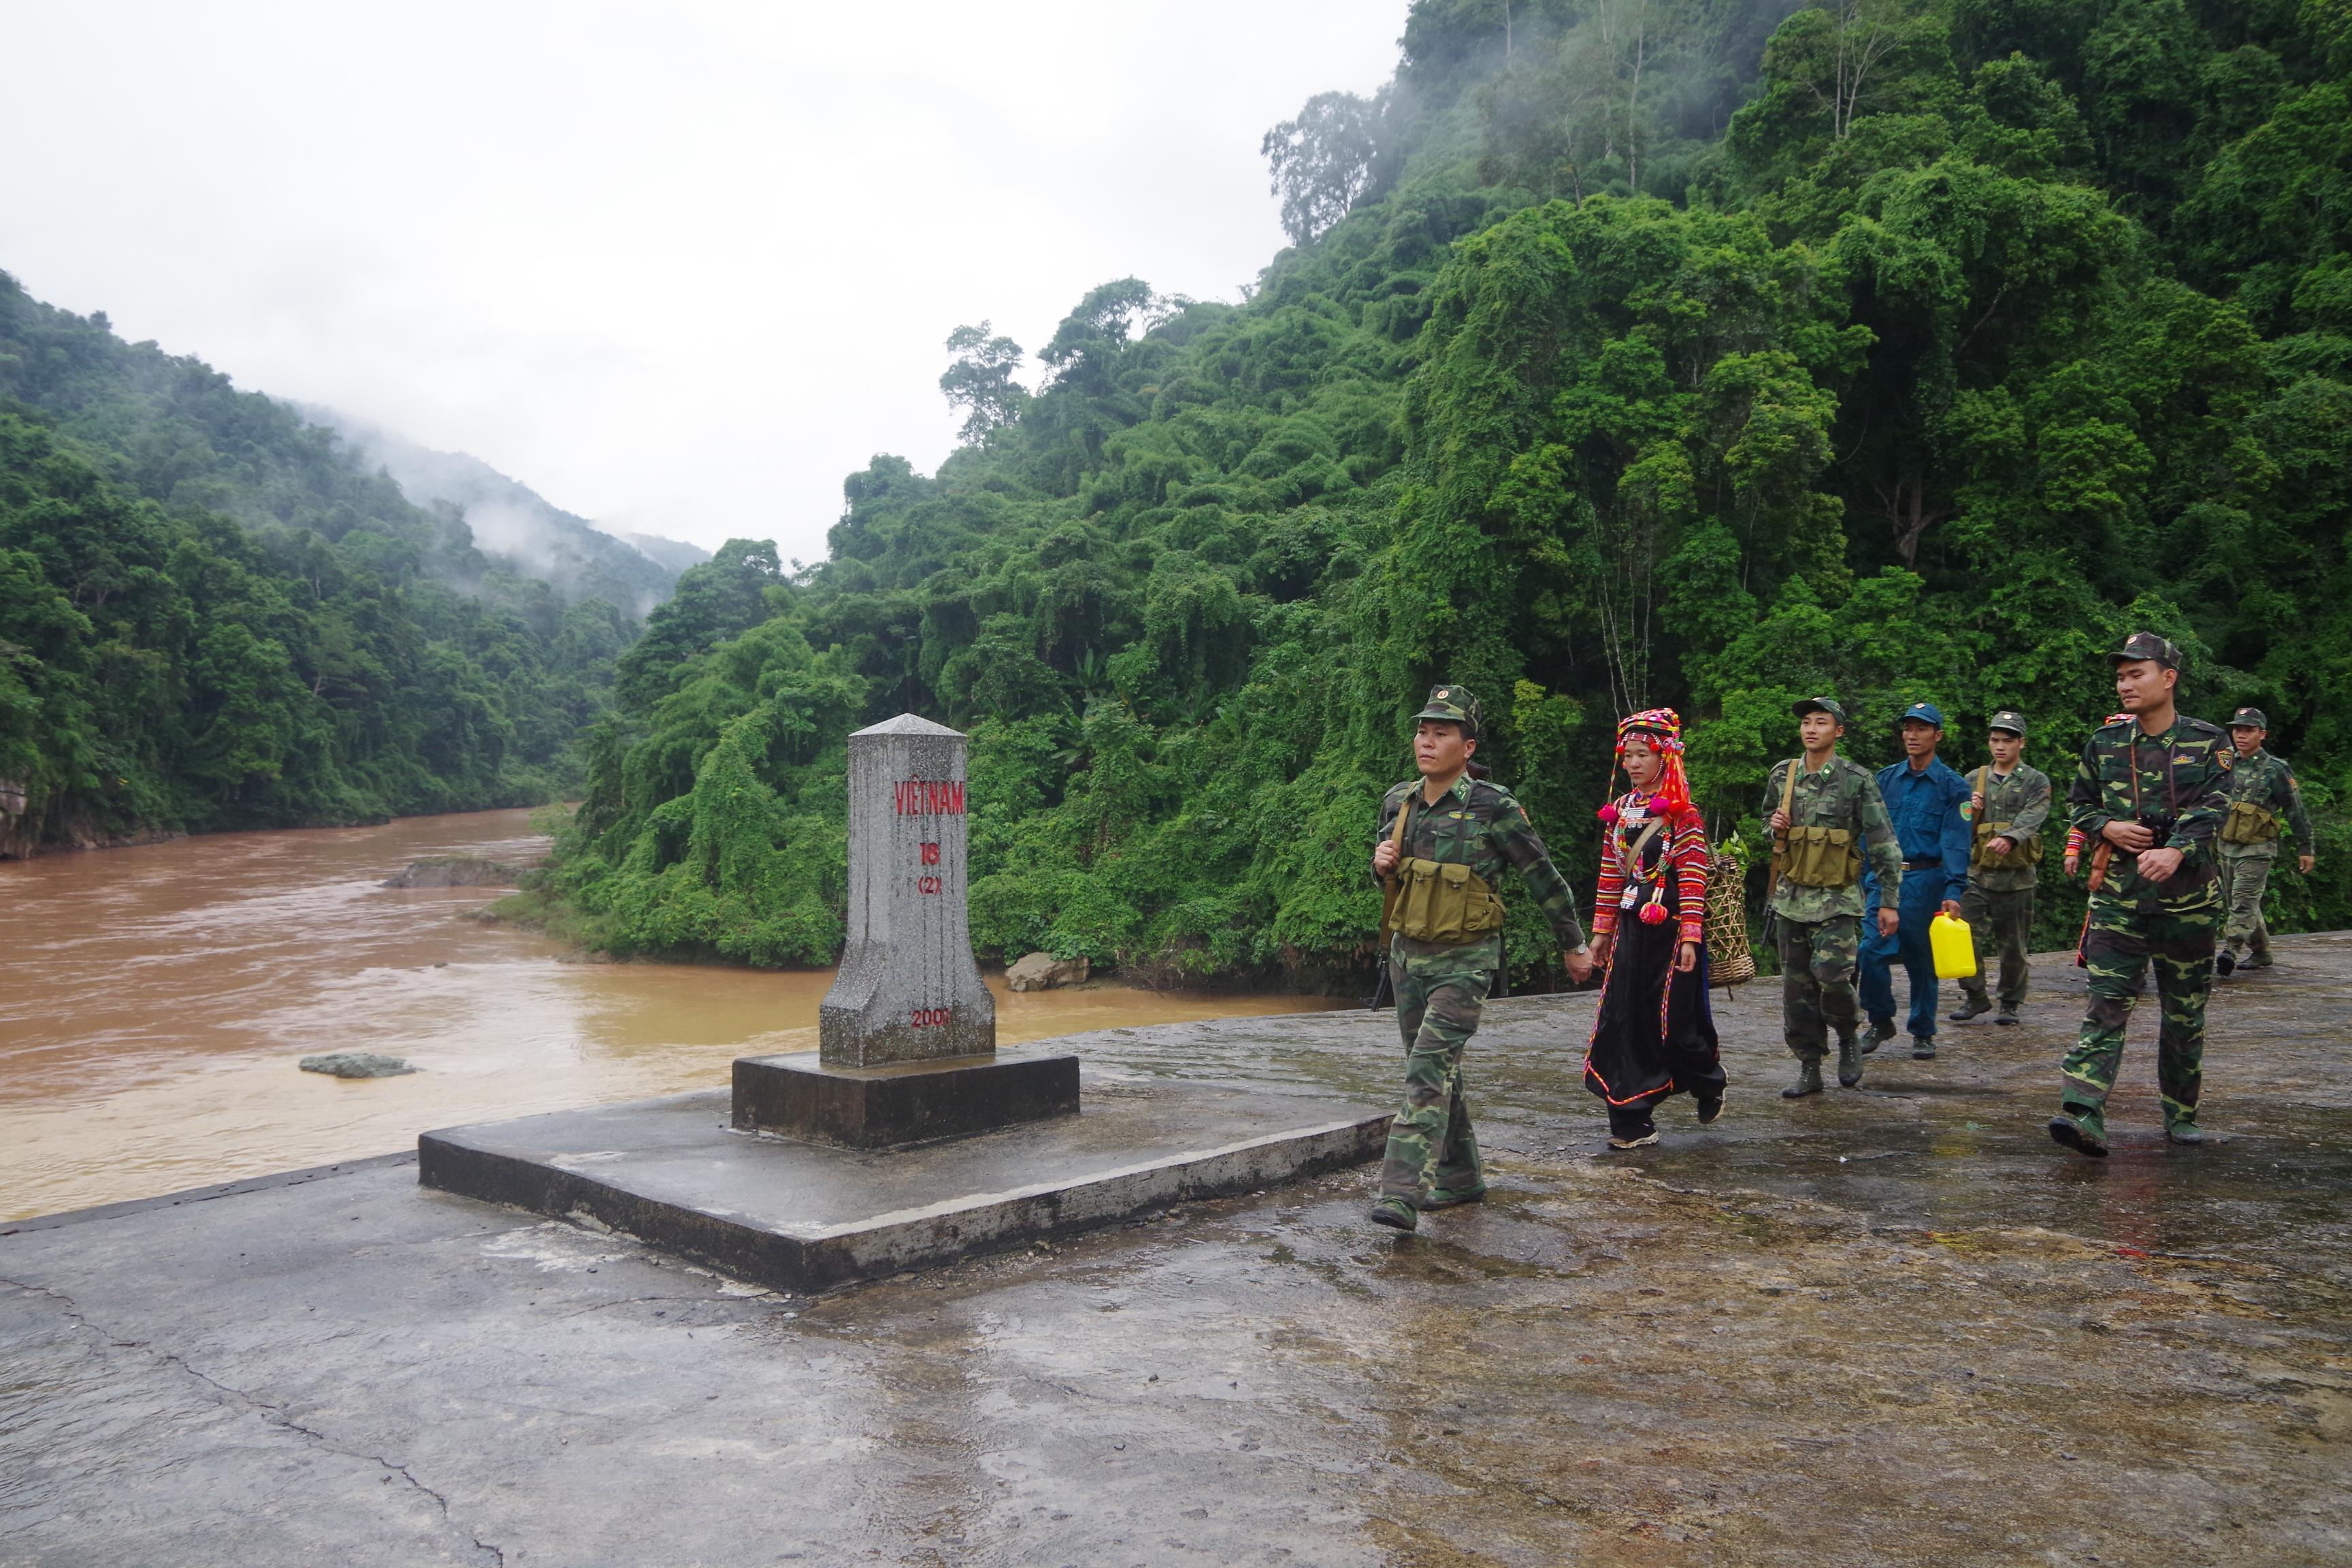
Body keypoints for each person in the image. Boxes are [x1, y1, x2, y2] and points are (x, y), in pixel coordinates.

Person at [1368, 683, 1594, 1231]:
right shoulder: (1400, 801)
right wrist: (1379, 865)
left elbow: (1543, 877)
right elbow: (1389, 883)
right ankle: (1463, 1175)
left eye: (1441, 733)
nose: (1427, 741)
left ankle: (1400, 1192)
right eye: (1423, 730)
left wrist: (1573, 944)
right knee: (1438, 1071)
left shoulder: (1495, 806)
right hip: (1407, 957)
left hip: (1465, 962)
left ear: (1467, 747)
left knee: (1426, 1070)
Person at [2050, 634, 2233, 1157]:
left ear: (2168, 678)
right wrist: (2107, 826)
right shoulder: (2103, 743)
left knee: (2184, 1014)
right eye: (2120, 676)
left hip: (2188, 904)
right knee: (2105, 1006)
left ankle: (2181, 1114)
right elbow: (2079, 805)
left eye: (2136, 674)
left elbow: (2216, 806)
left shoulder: (2207, 741)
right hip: (2119, 902)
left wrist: (2175, 850)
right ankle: (2081, 1112)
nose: (2124, 684)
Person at [1583, 709, 1724, 1149]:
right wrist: (1601, 933)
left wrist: (1691, 937)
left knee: (1674, 1025)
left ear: (1665, 757)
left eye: (1643, 754)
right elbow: (1610, 875)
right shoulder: (1621, 811)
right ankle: (1631, 1121)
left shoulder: (1683, 814)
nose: (1633, 763)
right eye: (1628, 755)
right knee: (1620, 1019)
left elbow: (1695, 876)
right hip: (1630, 929)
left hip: (1672, 930)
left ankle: (1707, 1080)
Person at [1762, 698, 1904, 1096]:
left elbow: (1883, 843)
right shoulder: (1783, 777)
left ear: (1838, 731)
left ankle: (1847, 1037)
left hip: (1837, 899)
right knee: (1796, 992)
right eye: (1806, 722)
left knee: (1834, 978)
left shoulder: (1856, 780)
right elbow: (1767, 827)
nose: (1810, 729)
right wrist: (1773, 826)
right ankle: (1809, 1066)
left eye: (1820, 722)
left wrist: (1889, 900)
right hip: (1791, 898)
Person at [1857, 703, 1972, 1060]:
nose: (1912, 735)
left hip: (1927, 880)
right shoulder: (1885, 779)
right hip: (1884, 880)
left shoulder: (1953, 786)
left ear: (1937, 735)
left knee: (1922, 961)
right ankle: (1880, 1019)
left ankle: (1923, 1031)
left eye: (1921, 729)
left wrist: (1954, 890)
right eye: (1908, 728)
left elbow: (1956, 839)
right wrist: (1864, 876)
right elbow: (1868, 832)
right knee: (1870, 951)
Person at [1948, 710, 2052, 1025]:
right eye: (1995, 740)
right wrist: (1970, 810)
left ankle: (2010, 1001)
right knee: (1964, 938)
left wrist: (2010, 837)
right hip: (1976, 874)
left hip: (2016, 877)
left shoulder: (2035, 780)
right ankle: (1975, 996)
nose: (2000, 747)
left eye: (2008, 741)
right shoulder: (1972, 779)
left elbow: (2034, 816)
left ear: (2021, 743)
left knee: (2013, 946)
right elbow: (1956, 825)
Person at [2213, 706, 2315, 977]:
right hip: (2227, 844)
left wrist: (2305, 848)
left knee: (2243, 902)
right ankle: (2261, 952)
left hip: (2257, 847)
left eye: (2248, 730)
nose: (2241, 735)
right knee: (2243, 902)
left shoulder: (2275, 769)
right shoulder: (2225, 764)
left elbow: (2296, 810)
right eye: (2237, 729)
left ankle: (2230, 950)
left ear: (2263, 734)